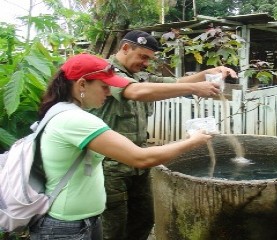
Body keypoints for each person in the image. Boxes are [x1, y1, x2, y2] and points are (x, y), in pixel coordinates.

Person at [29, 53, 214, 240]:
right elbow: (141, 158)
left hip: (79, 221)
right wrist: (192, 141)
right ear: (82, 84)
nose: (109, 93)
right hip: (67, 228)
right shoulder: (76, 120)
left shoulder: (62, 110)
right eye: (104, 87)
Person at [89, 30, 237, 240]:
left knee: (144, 219)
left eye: (150, 59)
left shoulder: (140, 75)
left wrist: (210, 72)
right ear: (125, 48)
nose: (146, 63)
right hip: (110, 167)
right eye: (143, 56)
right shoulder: (106, 72)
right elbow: (136, 92)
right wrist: (196, 87)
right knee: (113, 228)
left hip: (139, 163)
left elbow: (176, 83)